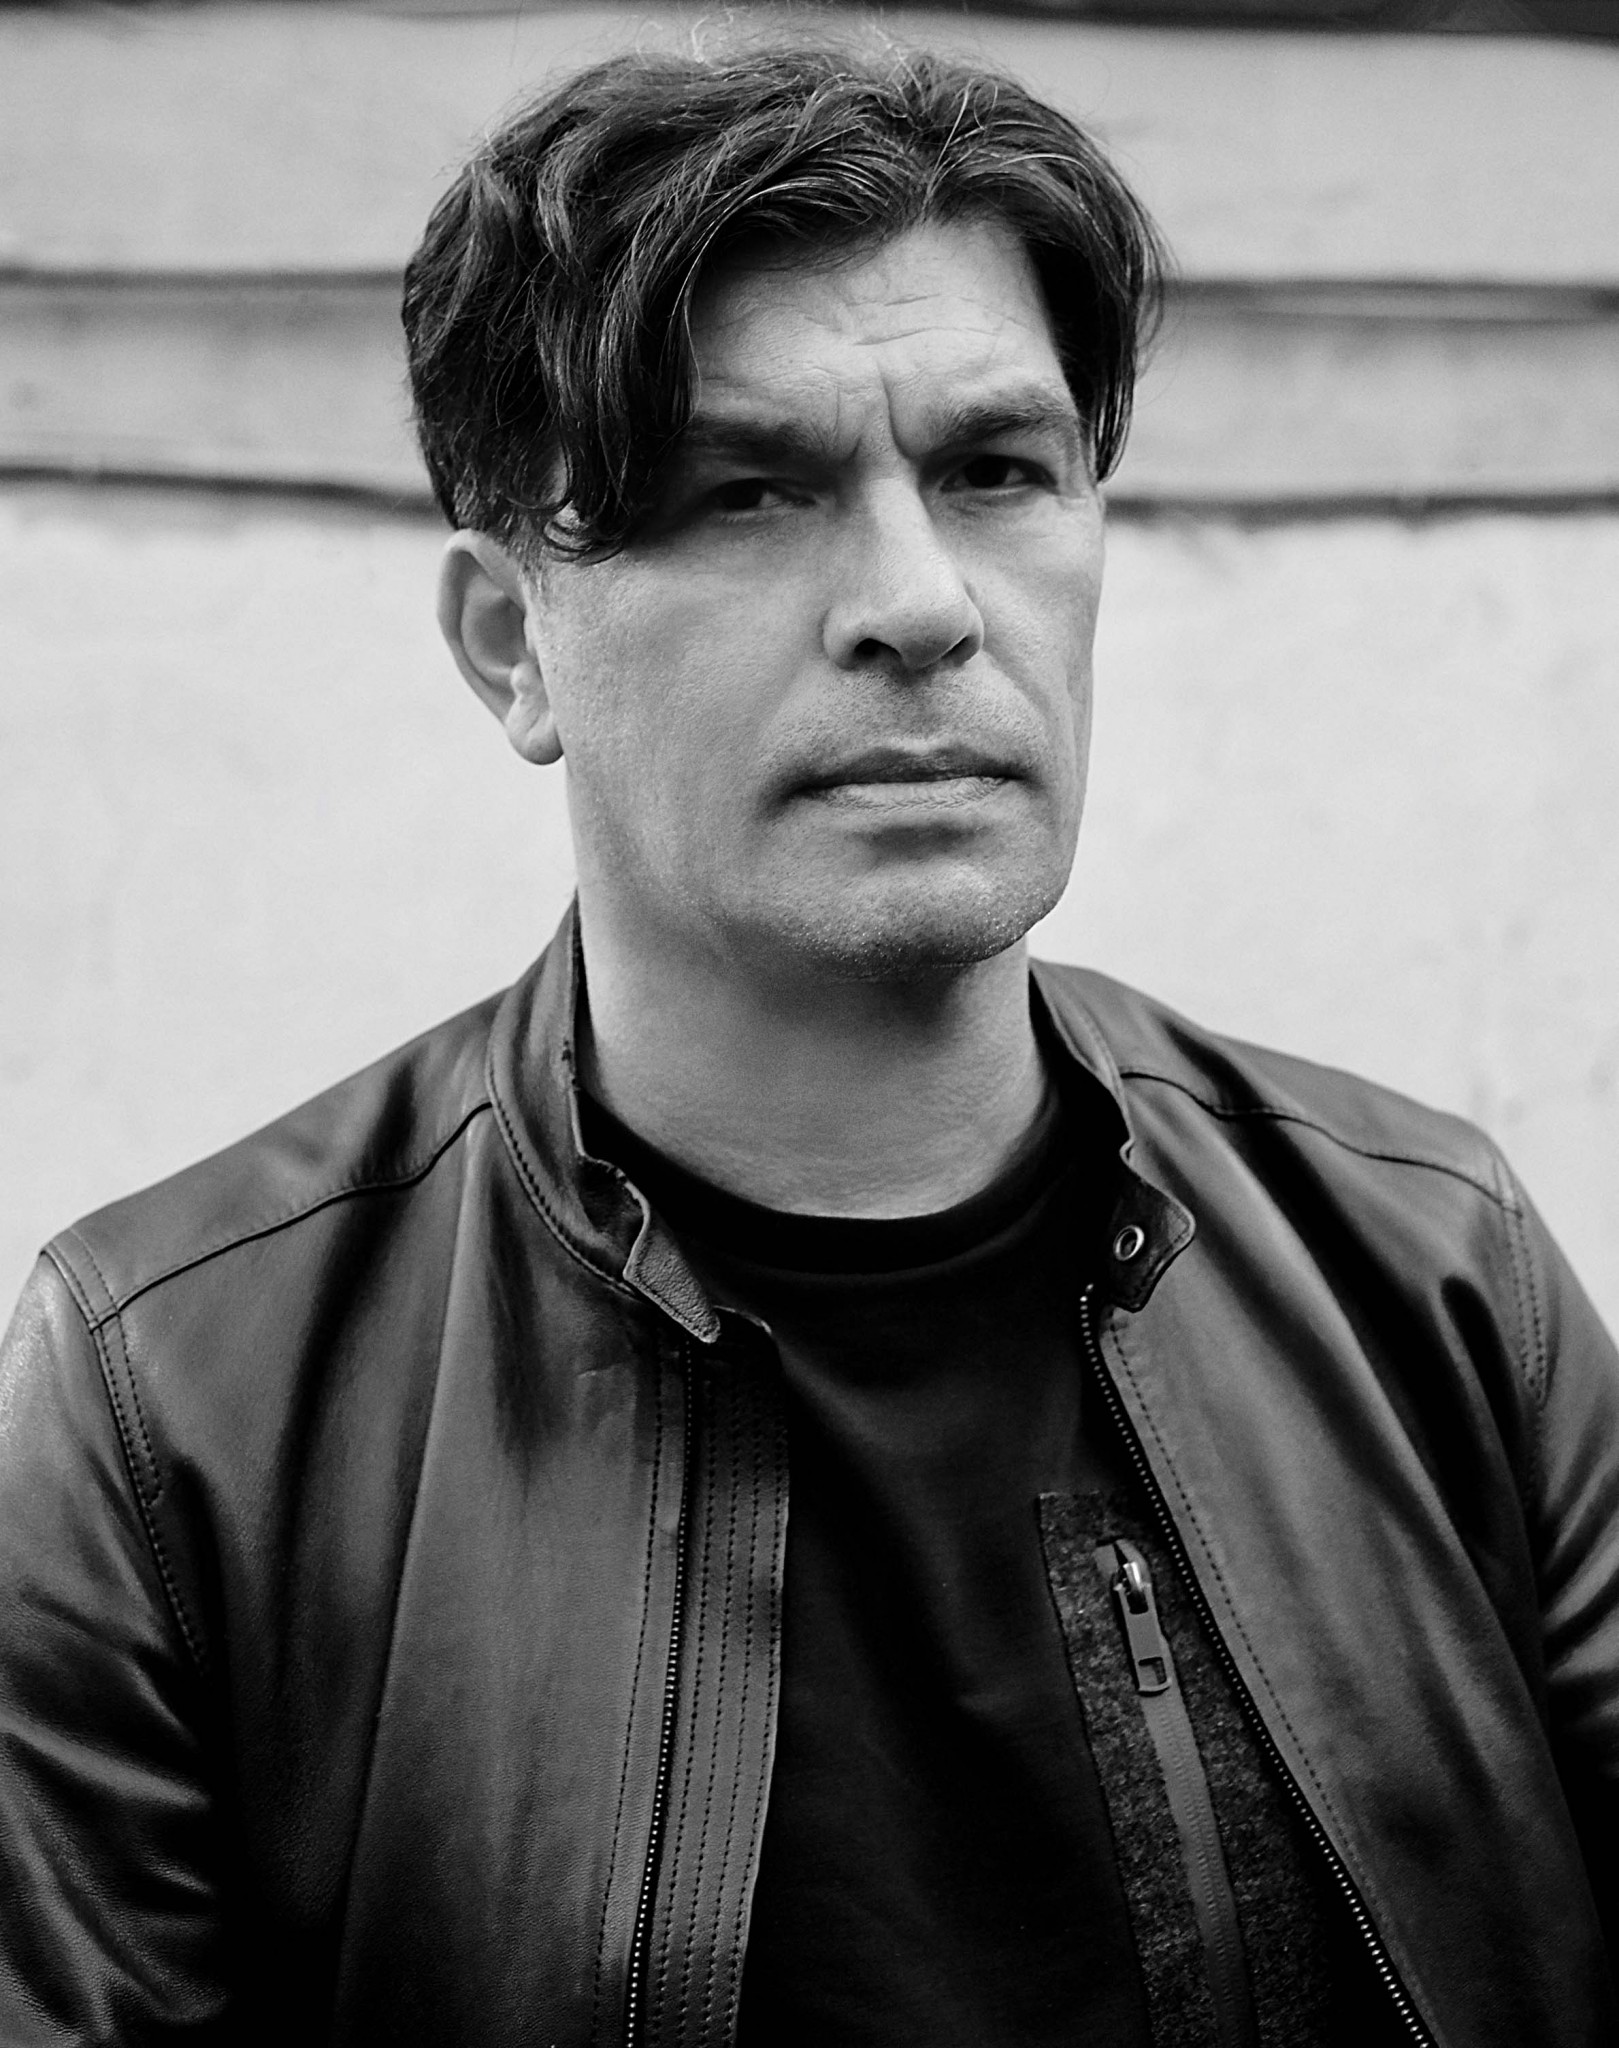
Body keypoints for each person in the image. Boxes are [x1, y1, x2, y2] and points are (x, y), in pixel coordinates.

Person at [1, 37, 1614, 2048]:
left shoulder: (1436, 1269)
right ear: (511, 645)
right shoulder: (178, 1407)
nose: (921, 602)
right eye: (749, 491)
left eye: (997, 470)